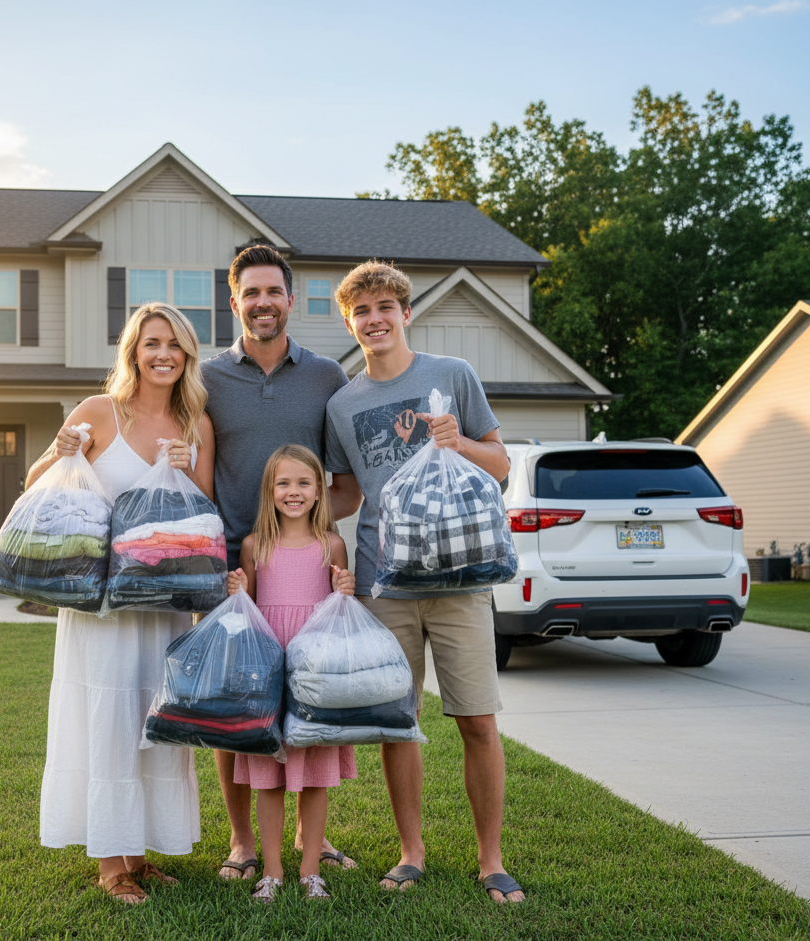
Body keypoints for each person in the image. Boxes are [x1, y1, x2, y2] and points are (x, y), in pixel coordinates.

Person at [323, 260, 526, 903]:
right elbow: (348, 494)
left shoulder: (451, 376)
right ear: (349, 322)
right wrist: (281, 526)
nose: (375, 319)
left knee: (477, 722)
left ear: (407, 314)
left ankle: (490, 859)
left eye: (386, 307)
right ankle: (411, 852)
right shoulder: (342, 404)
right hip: (387, 586)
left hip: (462, 579)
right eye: (362, 311)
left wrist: (458, 442)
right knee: (397, 722)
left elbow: (499, 467)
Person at [28, 303, 216, 905]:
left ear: (187, 356)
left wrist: (191, 472)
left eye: (175, 346)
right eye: (151, 343)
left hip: (162, 604)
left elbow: (206, 518)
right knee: (108, 721)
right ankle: (112, 864)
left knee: (150, 722)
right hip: (100, 607)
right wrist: (60, 452)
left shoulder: (196, 426)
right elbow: (37, 488)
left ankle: (139, 853)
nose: (163, 354)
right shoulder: (96, 413)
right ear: (133, 351)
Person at [201, 243, 361, 880]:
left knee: (308, 702)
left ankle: (310, 841)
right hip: (230, 570)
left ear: (291, 300)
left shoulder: (327, 378)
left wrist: (313, 539)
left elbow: (346, 481)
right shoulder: (208, 378)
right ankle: (243, 840)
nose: (262, 304)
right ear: (234, 302)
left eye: (274, 292)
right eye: (251, 293)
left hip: (303, 574)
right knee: (232, 707)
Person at [225, 445, 357, 902]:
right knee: (269, 774)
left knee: (314, 772)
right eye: (284, 483)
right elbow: (248, 614)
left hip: (313, 674)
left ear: (320, 491)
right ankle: (273, 870)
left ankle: (309, 870)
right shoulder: (254, 545)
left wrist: (346, 590)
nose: (293, 492)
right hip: (269, 674)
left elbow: (341, 612)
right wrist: (237, 591)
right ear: (269, 490)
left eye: (304, 483)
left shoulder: (331, 545)